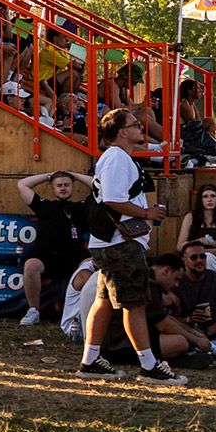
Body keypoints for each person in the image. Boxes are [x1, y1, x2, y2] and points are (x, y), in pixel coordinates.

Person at [78, 108, 186, 386]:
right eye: (136, 125)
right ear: (122, 132)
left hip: (112, 242)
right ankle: (149, 366)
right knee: (134, 304)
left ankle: (90, 361)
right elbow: (112, 200)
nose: (142, 128)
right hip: (120, 244)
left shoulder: (117, 157)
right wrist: (147, 214)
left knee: (104, 301)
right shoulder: (116, 157)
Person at [16, 171, 89, 328]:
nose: (63, 188)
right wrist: (49, 175)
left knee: (90, 266)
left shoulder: (81, 207)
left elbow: (99, 186)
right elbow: (22, 184)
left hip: (74, 255)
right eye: (59, 185)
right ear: (53, 188)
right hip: (45, 254)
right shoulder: (43, 205)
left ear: (73, 186)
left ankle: (82, 314)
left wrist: (74, 174)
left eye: (67, 185)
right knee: (31, 266)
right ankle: (33, 311)